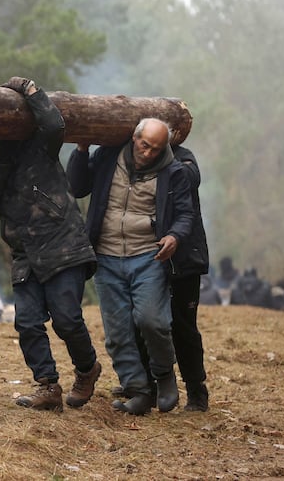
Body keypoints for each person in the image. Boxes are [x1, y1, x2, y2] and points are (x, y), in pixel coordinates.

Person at [0, 76, 101, 413]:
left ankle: (87, 369)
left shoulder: (37, 145)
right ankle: (47, 385)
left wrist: (30, 90)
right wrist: (0, 161)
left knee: (67, 320)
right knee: (26, 322)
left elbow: (54, 126)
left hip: (64, 245)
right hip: (26, 255)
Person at [67, 118, 194, 415]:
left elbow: (186, 215)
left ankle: (164, 375)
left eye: (156, 148)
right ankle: (137, 389)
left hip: (148, 256)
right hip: (107, 256)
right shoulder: (109, 156)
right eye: (144, 144)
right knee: (117, 331)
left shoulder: (174, 171)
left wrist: (175, 236)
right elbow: (77, 185)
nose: (148, 153)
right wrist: (82, 150)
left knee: (153, 321)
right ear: (134, 137)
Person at [168, 145, 210, 411]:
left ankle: (196, 391)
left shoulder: (183, 158)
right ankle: (146, 384)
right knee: (141, 322)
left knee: (184, 328)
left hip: (185, 259)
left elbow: (190, 178)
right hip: (149, 256)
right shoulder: (130, 156)